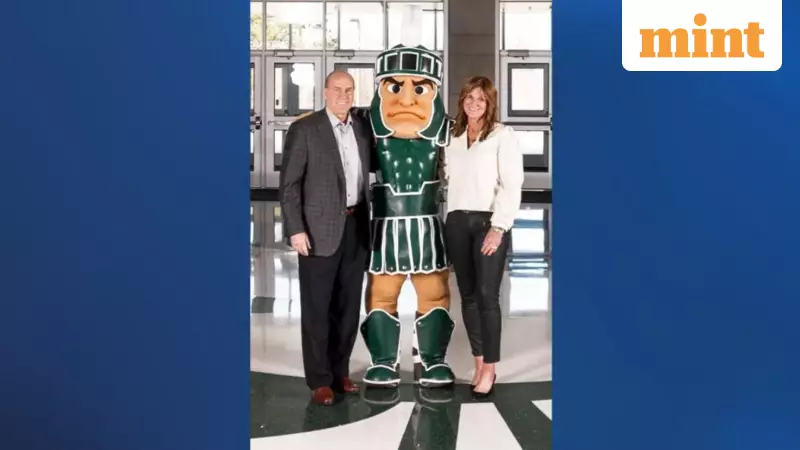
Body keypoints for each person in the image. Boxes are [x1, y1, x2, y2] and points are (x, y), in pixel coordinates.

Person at [359, 44, 456, 389]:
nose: (406, 99)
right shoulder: (363, 128)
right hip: (384, 228)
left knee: (435, 292)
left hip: (428, 226)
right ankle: (383, 360)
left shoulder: (452, 133)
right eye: (395, 87)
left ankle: (432, 359)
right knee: (381, 293)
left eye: (420, 88)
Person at [279, 71, 375, 406]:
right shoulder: (305, 129)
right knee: (318, 308)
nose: (343, 95)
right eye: (337, 89)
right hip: (316, 231)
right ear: (325, 92)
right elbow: (289, 185)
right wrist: (295, 229)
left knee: (348, 308)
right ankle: (320, 379)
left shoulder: (361, 128)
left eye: (349, 90)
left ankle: (339, 372)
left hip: (356, 227)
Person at [443, 76, 524, 398]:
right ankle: (478, 362)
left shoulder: (502, 135)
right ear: (462, 100)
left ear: (489, 103)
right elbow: (447, 176)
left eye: (481, 99)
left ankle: (490, 367)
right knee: (468, 295)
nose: (474, 103)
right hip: (456, 221)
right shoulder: (453, 135)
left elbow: (512, 184)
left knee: (488, 296)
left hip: (488, 222)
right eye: (469, 97)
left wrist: (499, 227)